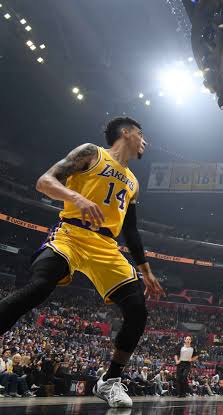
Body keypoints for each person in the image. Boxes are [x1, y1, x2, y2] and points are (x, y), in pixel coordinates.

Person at [0, 117, 165, 408]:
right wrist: (77, 198)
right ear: (126, 133)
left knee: (138, 310)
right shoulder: (91, 153)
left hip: (106, 247)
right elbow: (44, 182)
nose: (145, 141)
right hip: (72, 234)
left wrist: (147, 272)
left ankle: (110, 381)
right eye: (141, 134)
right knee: (40, 286)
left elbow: (131, 231)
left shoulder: (134, 183)